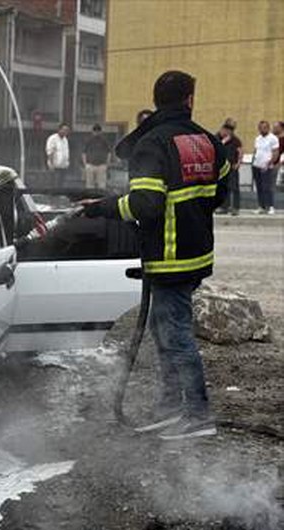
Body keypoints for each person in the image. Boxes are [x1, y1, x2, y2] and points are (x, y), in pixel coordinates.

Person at [81, 70, 229, 440]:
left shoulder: (154, 144)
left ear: (157, 99)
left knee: (175, 333)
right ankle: (171, 407)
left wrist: (103, 207)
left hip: (168, 255)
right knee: (164, 329)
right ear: (190, 100)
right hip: (195, 252)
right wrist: (192, 216)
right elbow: (220, 191)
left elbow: (146, 204)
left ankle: (197, 416)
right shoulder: (208, 140)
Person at [251, 120, 279, 215]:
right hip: (256, 165)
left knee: (267, 187)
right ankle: (261, 206)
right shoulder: (257, 138)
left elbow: (275, 153)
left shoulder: (273, 138)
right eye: (260, 128)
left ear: (268, 128)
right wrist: (253, 162)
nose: (262, 129)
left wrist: (269, 163)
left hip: (267, 167)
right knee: (259, 187)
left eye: (264, 127)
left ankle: (270, 206)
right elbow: (256, 151)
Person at [215, 119, 242, 215]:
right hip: (221, 168)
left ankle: (235, 208)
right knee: (222, 187)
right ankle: (223, 207)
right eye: (225, 130)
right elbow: (215, 148)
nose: (227, 132)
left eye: (230, 130)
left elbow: (239, 152)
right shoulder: (217, 137)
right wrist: (223, 141)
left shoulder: (235, 139)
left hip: (232, 166)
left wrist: (238, 163)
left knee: (234, 187)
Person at [82, 124, 111, 190]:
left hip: (101, 165)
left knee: (102, 185)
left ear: (101, 132)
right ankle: (90, 198)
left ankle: (101, 198)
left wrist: (107, 164)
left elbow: (109, 152)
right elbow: (84, 153)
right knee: (89, 185)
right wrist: (85, 164)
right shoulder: (88, 140)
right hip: (90, 165)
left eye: (98, 131)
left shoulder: (104, 141)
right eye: (95, 131)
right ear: (92, 132)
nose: (96, 132)